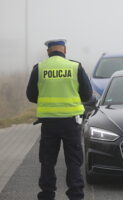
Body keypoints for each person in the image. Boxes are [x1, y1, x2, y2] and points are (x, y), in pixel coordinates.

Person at [26, 39, 92, 200]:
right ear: (65, 50)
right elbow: (87, 94)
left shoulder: (39, 68)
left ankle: (47, 194)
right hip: (71, 122)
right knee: (73, 161)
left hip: (49, 123)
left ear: (48, 51)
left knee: (47, 161)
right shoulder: (75, 67)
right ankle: (76, 194)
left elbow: (31, 95)